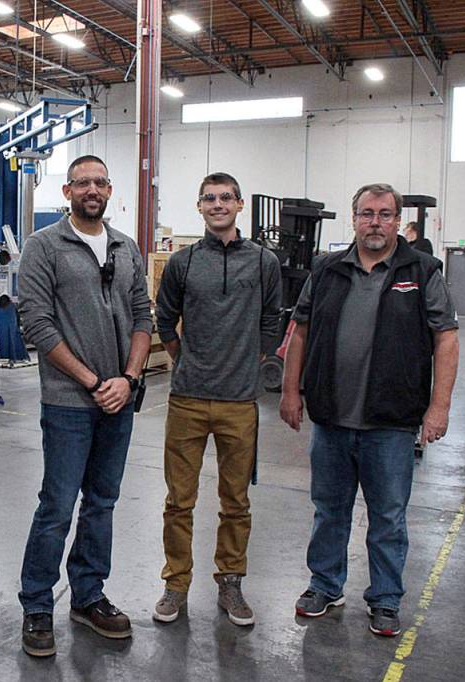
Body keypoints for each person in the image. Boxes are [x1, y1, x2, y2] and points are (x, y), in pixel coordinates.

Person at [279, 183, 459, 637]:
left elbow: (446, 338)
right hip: (333, 417)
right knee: (329, 509)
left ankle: (384, 599)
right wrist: (289, 391)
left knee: (387, 517)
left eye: (384, 214)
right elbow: (299, 331)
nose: (374, 222)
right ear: (354, 220)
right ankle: (325, 584)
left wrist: (438, 408)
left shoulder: (421, 270)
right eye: (366, 214)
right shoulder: (327, 270)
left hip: (391, 423)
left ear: (398, 221)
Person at [16, 155, 153, 657]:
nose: (92, 189)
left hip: (120, 399)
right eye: (82, 183)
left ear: (110, 189)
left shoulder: (126, 246)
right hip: (70, 402)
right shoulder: (44, 246)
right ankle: (36, 603)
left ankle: (88, 595)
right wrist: (95, 381)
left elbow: (143, 314)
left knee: (103, 503)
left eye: (100, 181)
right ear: (67, 192)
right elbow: (36, 323)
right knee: (57, 504)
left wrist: (129, 378)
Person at [152, 172, 282, 625]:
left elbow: (272, 319)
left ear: (240, 205)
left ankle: (230, 581)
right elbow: (165, 319)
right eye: (210, 198)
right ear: (200, 206)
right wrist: (185, 360)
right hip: (187, 399)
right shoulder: (184, 263)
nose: (218, 205)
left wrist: (251, 361)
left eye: (226, 198)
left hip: (239, 403)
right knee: (178, 502)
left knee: (236, 501)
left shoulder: (264, 261)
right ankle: (176, 584)